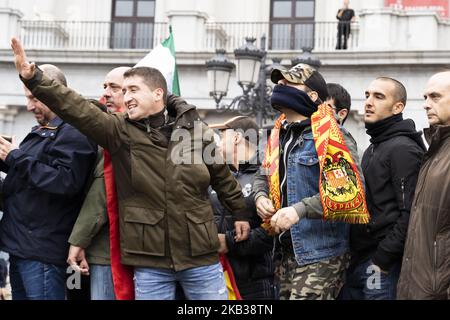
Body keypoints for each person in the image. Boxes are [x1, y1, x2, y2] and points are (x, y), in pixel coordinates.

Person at [11, 37, 250, 300]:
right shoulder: (119, 131)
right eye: (124, 91)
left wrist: (240, 213)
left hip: (201, 257)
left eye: (133, 90)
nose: (127, 97)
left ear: (158, 93)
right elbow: (76, 107)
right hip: (150, 262)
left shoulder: (196, 132)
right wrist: (34, 79)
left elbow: (222, 177)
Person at [254, 63, 362, 300]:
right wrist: (260, 196)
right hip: (284, 252)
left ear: (312, 95)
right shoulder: (278, 135)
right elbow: (263, 173)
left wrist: (298, 210)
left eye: (289, 83)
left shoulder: (333, 136)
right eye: (279, 83)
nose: (280, 86)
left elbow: (347, 192)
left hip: (320, 252)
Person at [0, 64, 98, 300]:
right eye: (27, 98)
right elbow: (29, 175)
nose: (29, 106)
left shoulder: (75, 130)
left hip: (43, 251)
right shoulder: (45, 128)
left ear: (54, 91)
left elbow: (65, 181)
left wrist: (15, 156)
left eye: (35, 97)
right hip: (22, 246)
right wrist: (7, 157)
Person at [340, 77, 426, 300]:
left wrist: (382, 258)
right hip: (362, 260)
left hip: (381, 264)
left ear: (398, 107)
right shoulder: (375, 146)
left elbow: (411, 212)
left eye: (379, 97)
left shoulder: (402, 149)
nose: (368, 101)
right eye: (367, 95)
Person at [67, 67, 130, 300]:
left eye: (115, 87)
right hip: (93, 249)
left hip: (108, 252)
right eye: (105, 87)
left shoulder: (121, 138)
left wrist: (78, 240)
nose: (106, 93)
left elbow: (100, 195)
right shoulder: (102, 136)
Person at [209, 116, 277, 300]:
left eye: (222, 137)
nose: (217, 143)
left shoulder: (267, 175)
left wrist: (228, 242)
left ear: (237, 138)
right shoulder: (217, 177)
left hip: (254, 281)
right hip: (216, 276)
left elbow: (273, 233)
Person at [397, 71, 450, 300]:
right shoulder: (434, 149)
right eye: (425, 98)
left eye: (435, 97)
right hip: (416, 284)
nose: (427, 105)